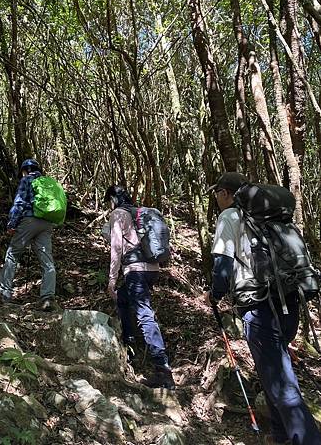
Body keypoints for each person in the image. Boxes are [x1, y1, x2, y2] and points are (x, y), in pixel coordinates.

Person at [204, 171, 321, 445]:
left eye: (218, 193)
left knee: (280, 378)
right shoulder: (273, 217)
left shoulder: (230, 217)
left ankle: (308, 439)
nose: (218, 199)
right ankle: (281, 436)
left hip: (259, 306)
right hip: (289, 302)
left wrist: (215, 295)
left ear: (226, 194)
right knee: (273, 371)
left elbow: (222, 265)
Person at [104, 185, 175, 390]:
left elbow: (116, 248)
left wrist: (111, 280)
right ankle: (128, 342)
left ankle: (163, 370)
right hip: (152, 269)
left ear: (113, 200)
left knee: (144, 314)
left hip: (134, 270)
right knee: (124, 300)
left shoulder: (118, 214)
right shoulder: (139, 213)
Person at [0, 158, 57, 310]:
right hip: (47, 223)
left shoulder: (27, 180)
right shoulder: (47, 182)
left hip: (29, 220)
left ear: (24, 170)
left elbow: (19, 203)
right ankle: (47, 297)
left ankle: (5, 294)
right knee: (47, 260)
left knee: (12, 255)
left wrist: (12, 224)